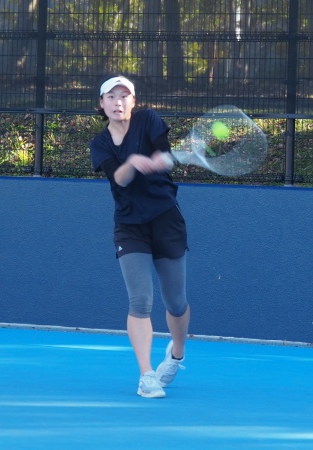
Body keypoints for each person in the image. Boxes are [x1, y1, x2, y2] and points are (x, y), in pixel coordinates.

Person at [89, 76, 191, 398]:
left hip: (166, 219)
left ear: (133, 101)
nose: (118, 102)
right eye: (111, 96)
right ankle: (146, 375)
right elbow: (119, 179)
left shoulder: (148, 120)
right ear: (102, 104)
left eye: (124, 96)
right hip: (130, 225)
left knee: (176, 302)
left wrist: (161, 158)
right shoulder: (100, 143)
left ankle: (176, 356)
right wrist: (134, 161)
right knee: (141, 301)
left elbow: (163, 151)